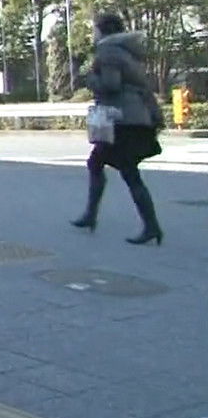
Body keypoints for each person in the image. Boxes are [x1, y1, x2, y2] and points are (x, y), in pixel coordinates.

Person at [71, 13, 165, 245]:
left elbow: (110, 85)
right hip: (134, 117)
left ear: (102, 31)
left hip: (121, 120)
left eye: (94, 29)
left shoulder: (108, 52)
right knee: (108, 165)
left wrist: (91, 79)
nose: (93, 33)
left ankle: (149, 226)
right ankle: (92, 215)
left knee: (123, 171)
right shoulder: (126, 52)